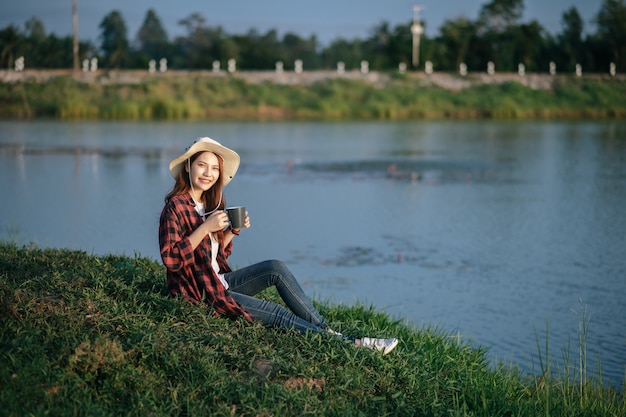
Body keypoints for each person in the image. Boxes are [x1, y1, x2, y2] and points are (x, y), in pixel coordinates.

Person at [159, 137, 398, 355]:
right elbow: (171, 259)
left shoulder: (210, 204)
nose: (208, 173)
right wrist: (205, 228)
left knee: (275, 267)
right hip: (199, 293)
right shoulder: (176, 207)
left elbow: (212, 257)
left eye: (214, 169)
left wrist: (230, 232)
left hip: (217, 282)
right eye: (202, 165)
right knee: (277, 313)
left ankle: (326, 331)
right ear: (188, 166)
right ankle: (352, 344)